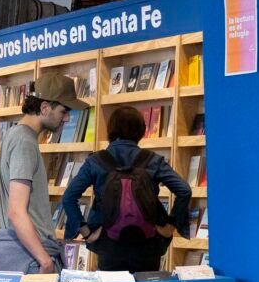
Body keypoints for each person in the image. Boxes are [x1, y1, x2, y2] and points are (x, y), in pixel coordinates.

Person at [62, 106, 191, 272]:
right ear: (141, 131)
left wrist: (87, 232)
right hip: (148, 242)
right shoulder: (153, 160)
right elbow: (184, 190)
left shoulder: (96, 161)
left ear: (111, 130)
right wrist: (171, 225)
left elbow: (68, 198)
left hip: (108, 242)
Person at [0, 72, 86, 274]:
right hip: (27, 258)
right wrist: (45, 261)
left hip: (20, 253)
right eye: (64, 111)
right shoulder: (24, 142)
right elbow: (16, 211)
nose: (67, 118)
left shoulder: (16, 135)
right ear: (44, 108)